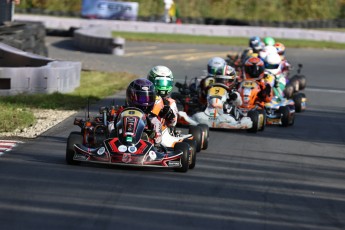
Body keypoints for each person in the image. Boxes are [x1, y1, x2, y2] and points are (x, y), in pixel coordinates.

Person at [109, 78, 163, 147]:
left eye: (148, 98)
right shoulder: (121, 111)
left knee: (154, 127)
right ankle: (112, 145)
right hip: (118, 142)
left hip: (143, 147)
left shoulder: (152, 118)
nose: (145, 102)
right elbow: (111, 124)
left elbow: (158, 140)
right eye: (142, 98)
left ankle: (146, 144)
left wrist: (154, 135)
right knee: (111, 128)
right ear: (131, 97)